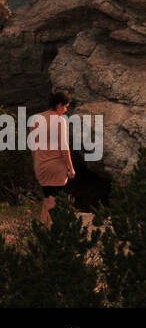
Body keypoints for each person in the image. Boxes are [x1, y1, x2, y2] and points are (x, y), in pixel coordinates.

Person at [32, 90, 76, 226]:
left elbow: (33, 146)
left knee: (46, 197)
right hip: (56, 166)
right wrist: (71, 168)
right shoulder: (59, 120)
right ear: (59, 105)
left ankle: (42, 227)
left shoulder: (35, 119)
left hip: (40, 165)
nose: (66, 109)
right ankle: (51, 228)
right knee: (53, 198)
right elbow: (64, 146)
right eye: (65, 106)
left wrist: (37, 162)